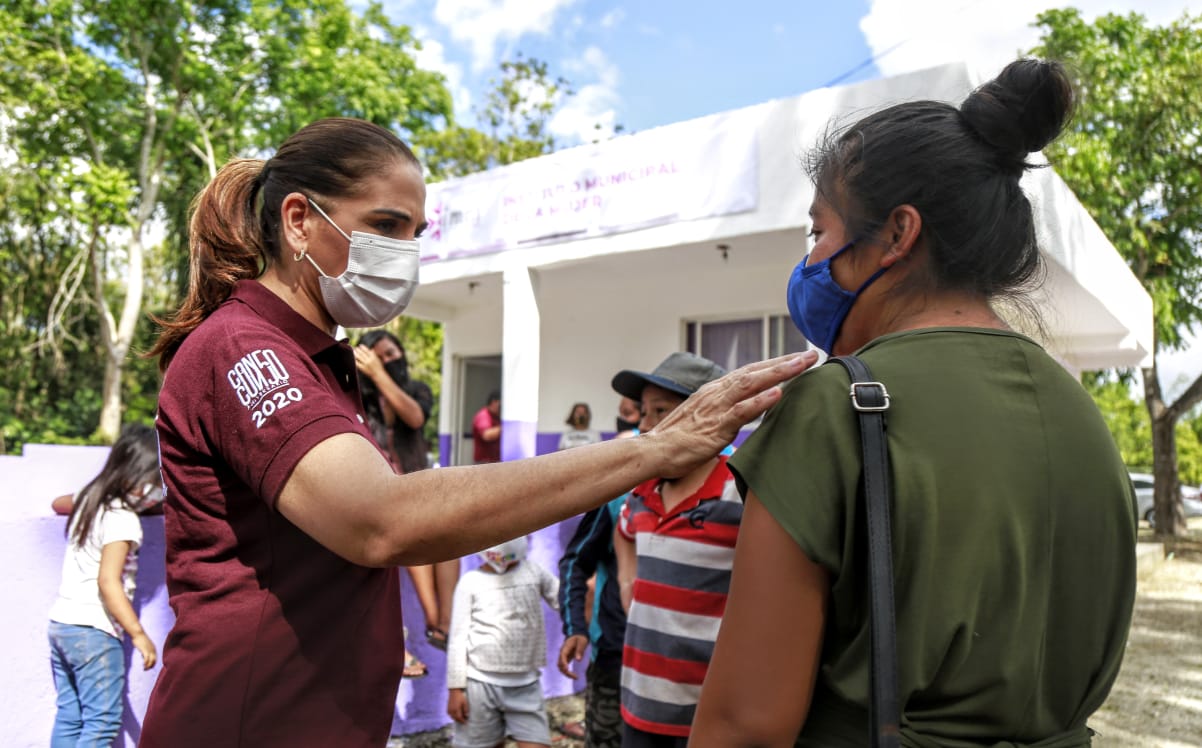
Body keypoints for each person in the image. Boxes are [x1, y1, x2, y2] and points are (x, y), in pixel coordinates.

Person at [142, 116, 812, 746]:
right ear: (298, 221)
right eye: (385, 225)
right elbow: (381, 520)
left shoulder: (322, 361)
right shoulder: (244, 348)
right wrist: (657, 448)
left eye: (415, 233)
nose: (406, 254)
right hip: (244, 721)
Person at [690, 59, 1137, 746]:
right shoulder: (1083, 419)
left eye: (819, 232)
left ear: (898, 234)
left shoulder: (831, 407)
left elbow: (745, 727)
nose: (811, 260)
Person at [609, 352, 737, 747]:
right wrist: (627, 579)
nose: (644, 427)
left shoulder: (739, 492)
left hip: (705, 713)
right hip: (639, 703)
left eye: (659, 411)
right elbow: (624, 531)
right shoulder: (644, 490)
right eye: (643, 413)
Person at [47, 424, 163, 746]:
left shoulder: (92, 498)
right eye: (154, 482)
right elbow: (108, 581)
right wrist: (138, 634)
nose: (157, 490)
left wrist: (89, 496)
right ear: (133, 476)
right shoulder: (123, 520)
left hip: (62, 625)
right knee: (103, 722)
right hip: (95, 632)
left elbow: (58, 503)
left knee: (70, 715)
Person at [355, 329, 459, 656]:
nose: (387, 361)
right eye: (379, 356)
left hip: (416, 484)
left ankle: (445, 620)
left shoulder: (416, 391)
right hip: (379, 494)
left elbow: (414, 418)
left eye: (391, 353)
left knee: (450, 535)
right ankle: (432, 618)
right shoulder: (357, 396)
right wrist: (370, 376)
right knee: (412, 537)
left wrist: (379, 373)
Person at [446, 536, 558, 748]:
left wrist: (581, 619)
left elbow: (565, 599)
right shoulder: (470, 582)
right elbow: (458, 638)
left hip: (526, 685)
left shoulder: (533, 572)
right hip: (479, 685)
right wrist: (455, 689)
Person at [556, 491, 628, 748]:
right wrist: (575, 625)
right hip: (616, 656)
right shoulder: (623, 495)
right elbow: (577, 562)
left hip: (697, 664)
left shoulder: (732, 485)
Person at [472, 390, 502, 463]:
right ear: (494, 402)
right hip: (485, 463)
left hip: (495, 462)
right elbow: (487, 435)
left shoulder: (496, 417)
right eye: (500, 405)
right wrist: (507, 427)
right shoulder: (484, 415)